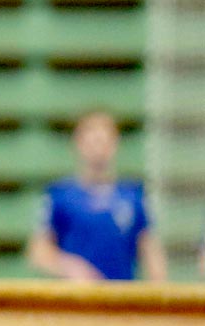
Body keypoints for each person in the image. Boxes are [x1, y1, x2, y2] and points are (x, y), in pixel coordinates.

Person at [27, 109, 166, 282]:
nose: (97, 149)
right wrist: (71, 267)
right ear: (77, 143)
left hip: (121, 301)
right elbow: (38, 253)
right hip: (75, 303)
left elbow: (151, 253)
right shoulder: (59, 196)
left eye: (103, 141)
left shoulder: (134, 196)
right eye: (91, 141)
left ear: (115, 143)